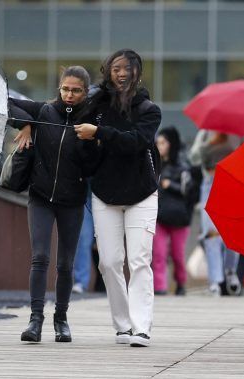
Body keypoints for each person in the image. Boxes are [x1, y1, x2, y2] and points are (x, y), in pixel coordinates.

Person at [74, 49, 161, 347]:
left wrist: (99, 133)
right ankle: (122, 325)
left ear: (138, 72)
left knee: (139, 260)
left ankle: (141, 327)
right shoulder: (95, 105)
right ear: (108, 71)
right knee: (109, 262)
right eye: (116, 68)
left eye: (127, 68)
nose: (122, 73)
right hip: (104, 193)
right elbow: (63, 114)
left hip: (142, 194)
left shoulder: (149, 109)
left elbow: (136, 142)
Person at [8, 66, 98, 343]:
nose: (69, 95)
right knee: (40, 258)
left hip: (72, 200)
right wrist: (27, 123)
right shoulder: (44, 112)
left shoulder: (91, 120)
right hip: (41, 196)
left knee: (65, 264)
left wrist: (91, 139)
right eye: (65, 89)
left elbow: (94, 164)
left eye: (76, 90)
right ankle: (35, 320)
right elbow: (6, 103)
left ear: (85, 92)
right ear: (59, 88)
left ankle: (62, 319)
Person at [189, 130, 244, 296]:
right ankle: (215, 280)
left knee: (231, 233)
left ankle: (230, 270)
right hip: (209, 184)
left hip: (232, 184)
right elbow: (193, 158)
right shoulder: (205, 132)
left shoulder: (239, 133)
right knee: (211, 233)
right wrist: (209, 143)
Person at [152, 126, 194, 296]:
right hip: (159, 217)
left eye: (163, 143)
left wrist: (170, 185)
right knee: (159, 254)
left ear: (171, 144)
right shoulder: (155, 164)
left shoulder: (183, 166)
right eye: (157, 143)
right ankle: (159, 287)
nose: (159, 146)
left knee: (177, 256)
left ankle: (181, 283)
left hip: (179, 219)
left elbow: (189, 191)